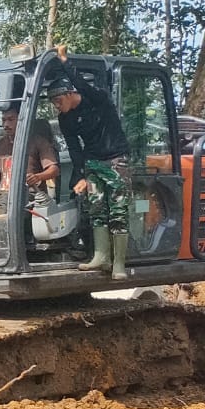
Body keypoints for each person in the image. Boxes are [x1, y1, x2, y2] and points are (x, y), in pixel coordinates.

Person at [45, 66, 132, 277]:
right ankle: (101, 257)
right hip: (92, 164)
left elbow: (83, 84)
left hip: (116, 161)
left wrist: (65, 62)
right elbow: (75, 150)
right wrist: (81, 175)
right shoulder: (66, 120)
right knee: (96, 210)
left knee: (118, 211)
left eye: (59, 101)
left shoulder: (97, 101)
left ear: (70, 93)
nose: (57, 106)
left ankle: (119, 263)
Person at [0, 105, 60, 209]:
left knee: (8, 200)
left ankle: (2, 226)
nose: (6, 124)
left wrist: (38, 177)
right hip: (0, 196)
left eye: (11, 120)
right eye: (3, 120)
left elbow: (54, 170)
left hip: (30, 196)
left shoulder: (38, 142)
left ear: (21, 120)